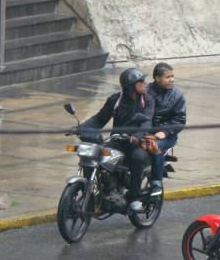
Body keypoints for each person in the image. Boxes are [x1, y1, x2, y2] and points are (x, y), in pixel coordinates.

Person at [80, 68, 154, 214]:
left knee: (137, 157)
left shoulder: (147, 100)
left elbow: (147, 121)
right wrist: (81, 128)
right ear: (131, 85)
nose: (146, 84)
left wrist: (138, 135)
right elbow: (99, 119)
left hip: (137, 143)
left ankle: (134, 198)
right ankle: (98, 193)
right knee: (94, 154)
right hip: (118, 140)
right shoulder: (115, 100)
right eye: (141, 82)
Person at [147, 63, 186, 196]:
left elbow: (179, 121)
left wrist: (164, 132)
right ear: (157, 78)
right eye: (167, 77)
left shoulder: (177, 95)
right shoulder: (145, 91)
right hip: (144, 133)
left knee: (154, 147)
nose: (171, 80)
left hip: (167, 136)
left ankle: (156, 182)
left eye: (172, 76)